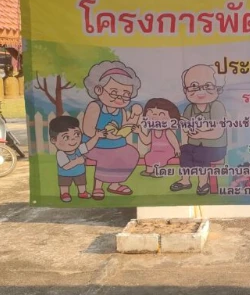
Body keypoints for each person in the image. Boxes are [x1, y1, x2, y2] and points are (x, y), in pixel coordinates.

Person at [81, 61, 143, 200]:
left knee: (132, 153)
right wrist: (102, 134)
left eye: (126, 94)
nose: (120, 98)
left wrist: (135, 116)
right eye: (114, 93)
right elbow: (88, 129)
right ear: (99, 90)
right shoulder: (95, 107)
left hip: (117, 144)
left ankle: (115, 184)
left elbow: (125, 128)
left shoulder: (121, 111)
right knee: (108, 156)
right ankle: (98, 187)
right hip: (95, 144)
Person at [170, 64, 228, 195]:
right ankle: (185, 180)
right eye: (194, 86)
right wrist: (187, 129)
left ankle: (203, 183)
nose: (200, 92)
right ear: (186, 90)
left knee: (201, 154)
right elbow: (185, 127)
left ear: (218, 88)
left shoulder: (217, 106)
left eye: (208, 86)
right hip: (194, 146)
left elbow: (218, 132)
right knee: (185, 151)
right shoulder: (189, 108)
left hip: (215, 148)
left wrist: (199, 134)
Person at [50, 115, 106, 203]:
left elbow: (88, 146)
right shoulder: (61, 153)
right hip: (65, 174)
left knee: (81, 183)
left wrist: (97, 136)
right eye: (66, 137)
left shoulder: (79, 148)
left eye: (77, 134)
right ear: (54, 140)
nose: (73, 139)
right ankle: (64, 194)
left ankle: (82, 192)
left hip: (80, 172)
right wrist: (77, 161)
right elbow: (66, 166)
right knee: (64, 185)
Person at [138, 98, 181, 177]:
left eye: (161, 114)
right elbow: (146, 141)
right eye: (151, 112)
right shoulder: (152, 131)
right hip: (154, 151)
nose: (154, 116)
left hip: (167, 152)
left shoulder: (167, 132)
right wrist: (139, 132)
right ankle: (149, 171)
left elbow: (174, 141)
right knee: (148, 156)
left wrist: (177, 149)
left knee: (160, 157)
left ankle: (158, 171)